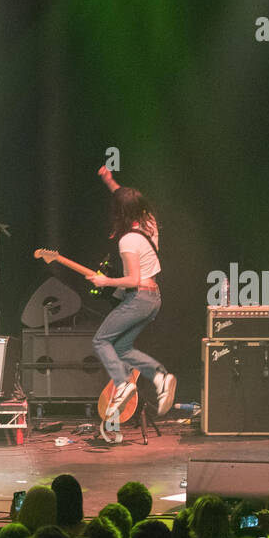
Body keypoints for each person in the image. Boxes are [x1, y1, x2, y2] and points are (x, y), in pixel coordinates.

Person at [89, 168, 176, 420]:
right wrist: (110, 181)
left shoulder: (127, 241)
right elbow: (125, 198)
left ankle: (123, 382)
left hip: (138, 297)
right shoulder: (149, 222)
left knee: (100, 341)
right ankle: (160, 376)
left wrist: (105, 281)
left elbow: (132, 279)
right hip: (153, 299)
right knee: (123, 347)